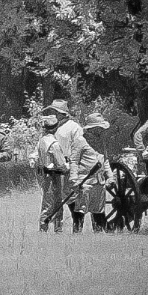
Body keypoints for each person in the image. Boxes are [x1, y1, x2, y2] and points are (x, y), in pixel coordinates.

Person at [47, 100, 101, 233]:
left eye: (54, 112)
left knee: (74, 197)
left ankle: (79, 225)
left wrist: (73, 166)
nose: (53, 114)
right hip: (56, 166)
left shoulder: (74, 127)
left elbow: (79, 147)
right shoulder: (54, 127)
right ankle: (58, 228)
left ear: (60, 113)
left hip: (69, 166)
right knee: (59, 198)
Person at [78, 112, 112, 232]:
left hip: (99, 181)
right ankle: (76, 236)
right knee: (80, 211)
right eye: (99, 128)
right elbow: (73, 161)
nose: (101, 130)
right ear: (92, 128)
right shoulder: (80, 141)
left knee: (98, 210)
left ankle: (98, 234)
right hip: (85, 180)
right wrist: (74, 179)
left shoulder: (101, 142)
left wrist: (110, 176)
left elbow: (105, 160)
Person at [36, 114, 69, 232]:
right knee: (57, 204)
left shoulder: (42, 141)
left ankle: (43, 228)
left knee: (46, 203)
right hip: (54, 176)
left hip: (45, 175)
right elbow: (61, 164)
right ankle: (57, 229)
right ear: (56, 128)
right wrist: (68, 166)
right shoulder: (54, 144)